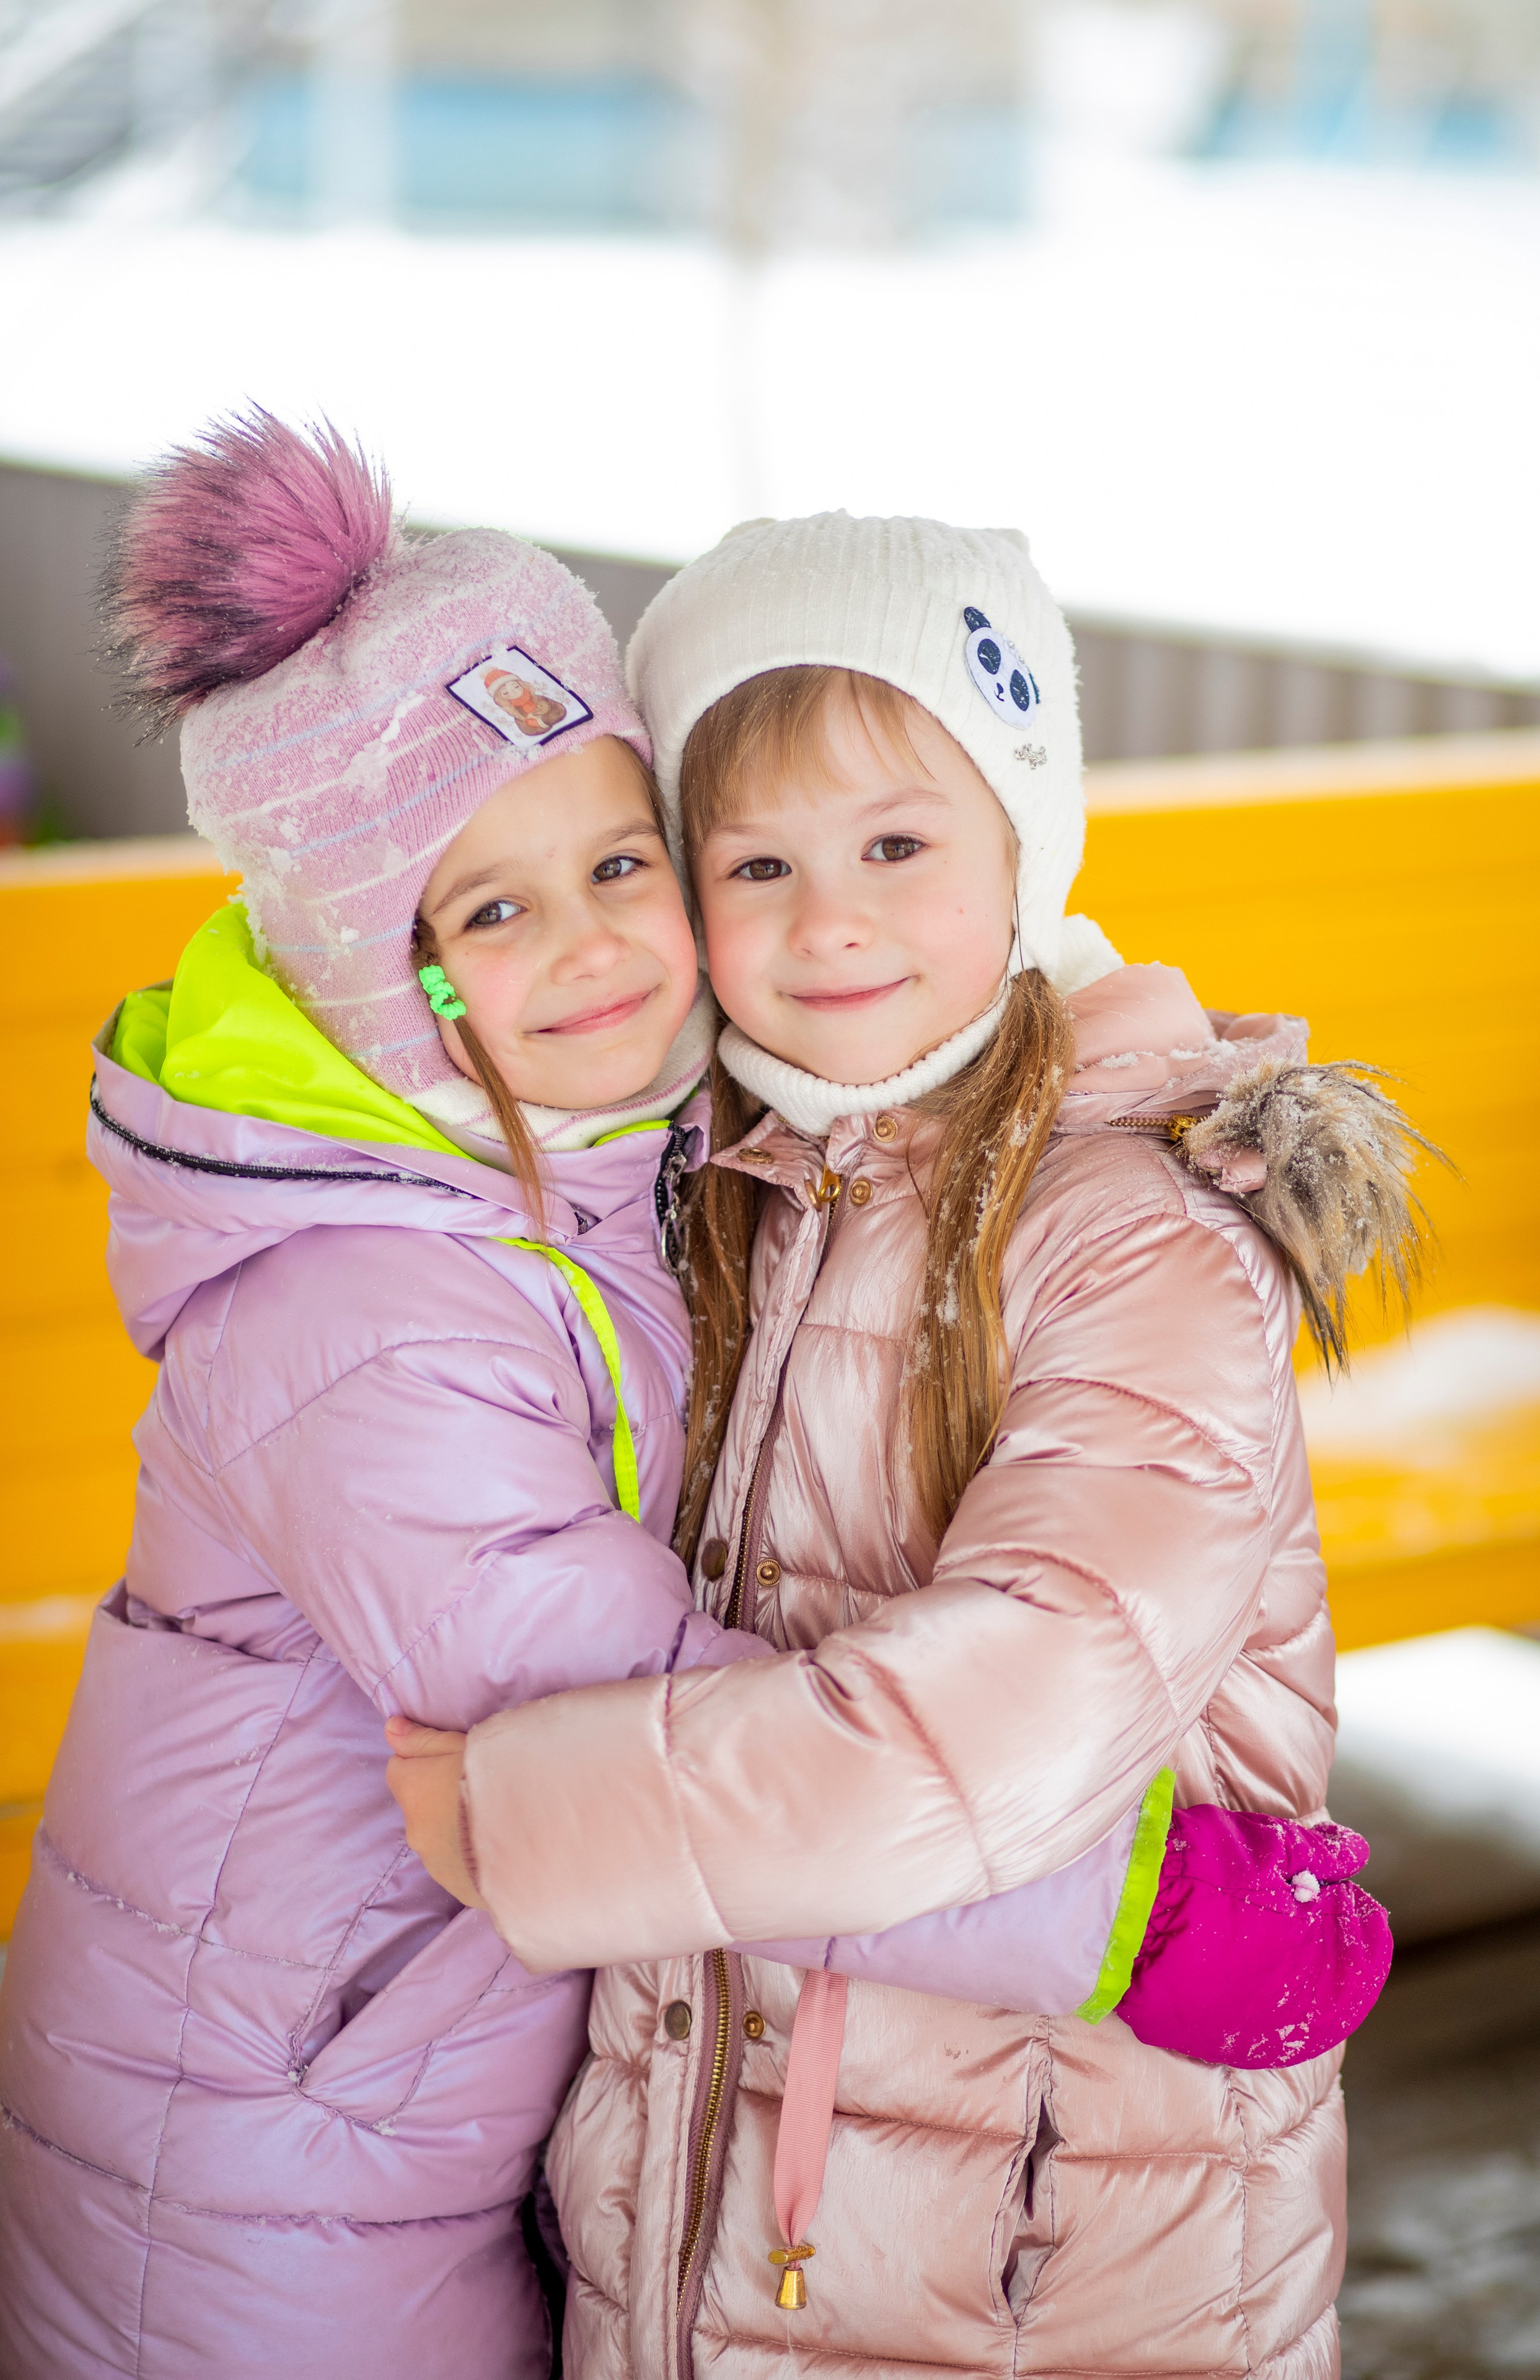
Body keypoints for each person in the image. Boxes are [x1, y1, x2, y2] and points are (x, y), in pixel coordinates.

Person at [0, 430, 1375, 2380]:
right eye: (487, 915)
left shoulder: (720, 1169)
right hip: (253, 2136)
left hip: (611, 2104)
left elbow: (1009, 1660)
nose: (595, 945)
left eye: (619, 865)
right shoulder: (386, 1296)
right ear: (387, 985)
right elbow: (583, 1697)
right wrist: (1127, 1915)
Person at [387, 513, 1428, 2380]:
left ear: (1027, 842)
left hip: (1053, 2255)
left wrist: (534, 1814)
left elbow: (1006, 1723)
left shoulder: (1133, 1233)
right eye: (757, 861)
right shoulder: (748, 1183)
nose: (827, 920)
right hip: (742, 2215)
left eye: (895, 846)